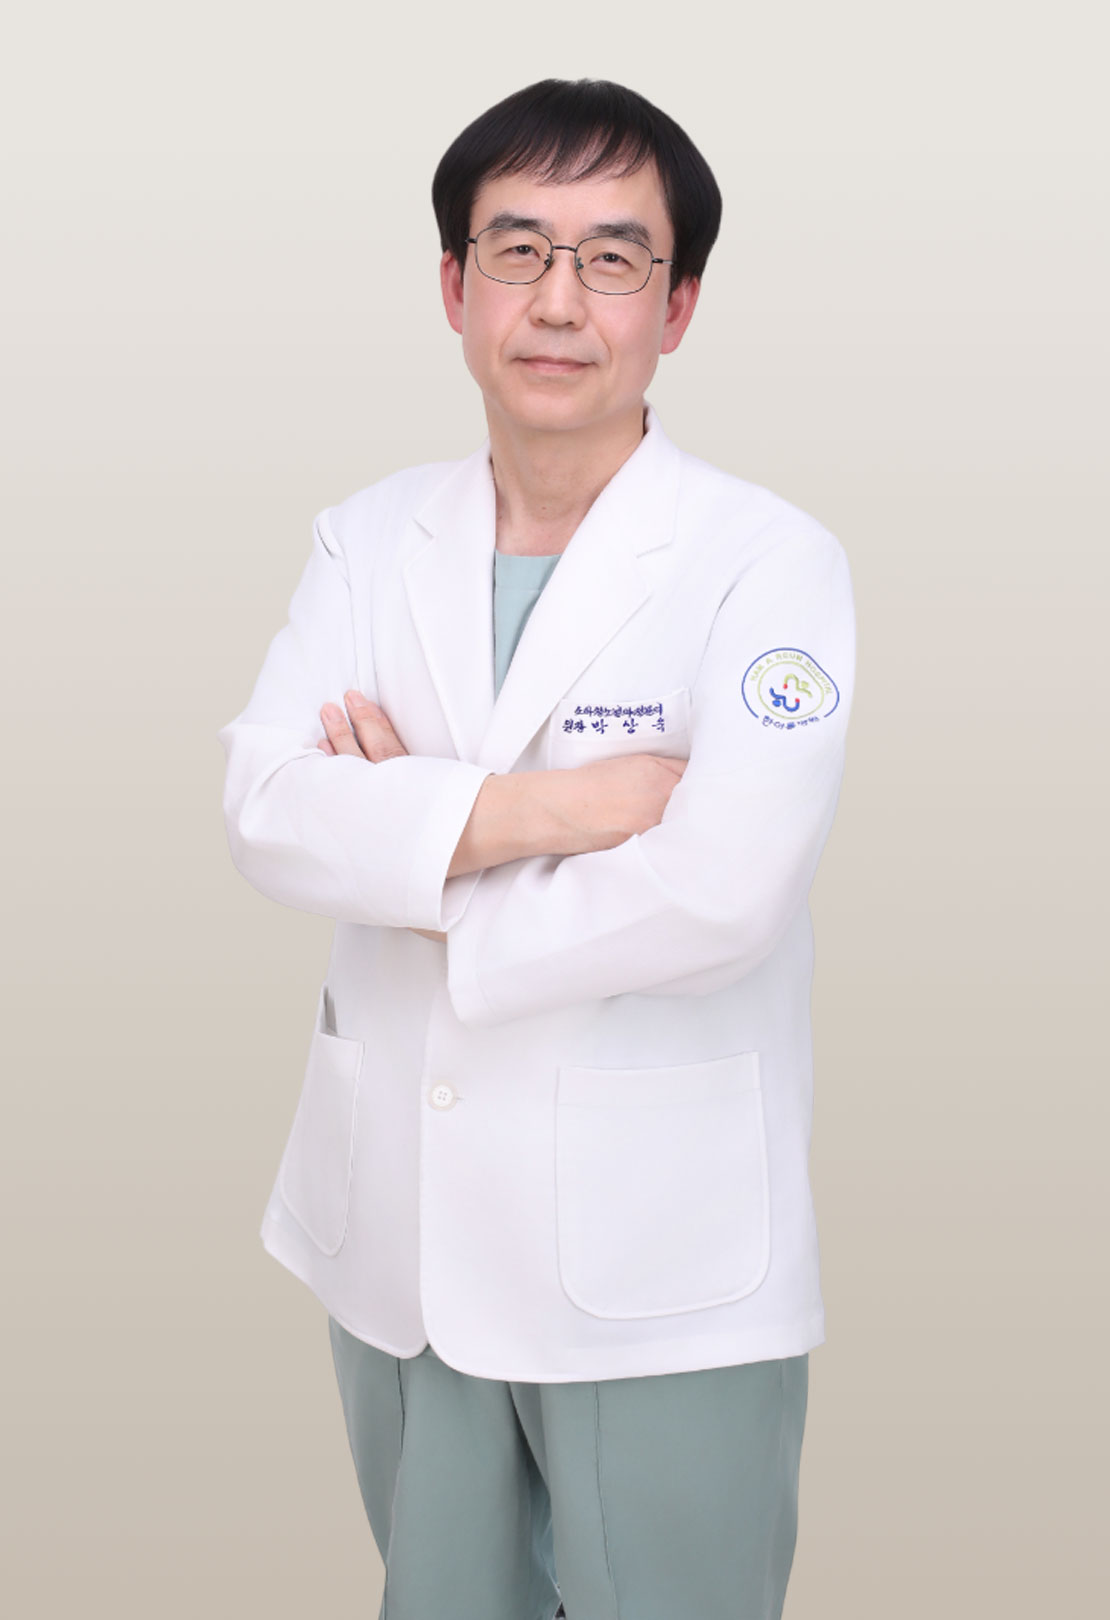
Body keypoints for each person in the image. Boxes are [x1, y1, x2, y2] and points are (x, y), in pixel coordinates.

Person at [218, 77, 856, 1620]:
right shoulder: (367, 537)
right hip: (398, 1240)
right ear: (454, 288)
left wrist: (414, 857)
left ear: (676, 306)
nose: (558, 301)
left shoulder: (765, 563)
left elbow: (722, 890)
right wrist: (553, 812)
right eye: (517, 251)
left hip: (655, 1255)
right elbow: (266, 811)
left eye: (613, 257)